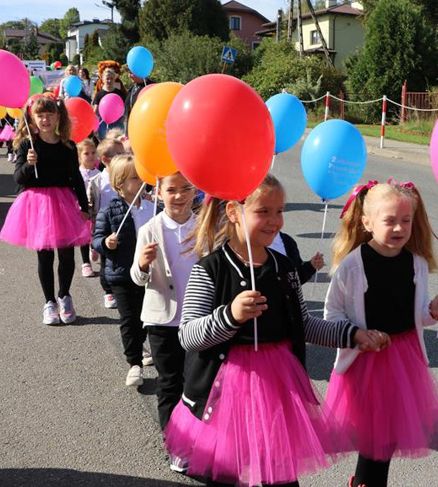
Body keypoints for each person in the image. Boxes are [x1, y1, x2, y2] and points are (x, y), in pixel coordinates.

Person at [163, 174, 382, 487]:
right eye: (263, 211)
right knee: (228, 475)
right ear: (234, 213)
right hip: (224, 393)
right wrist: (230, 315)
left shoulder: (284, 267)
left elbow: (303, 324)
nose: (274, 220)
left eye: (279, 211)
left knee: (280, 476)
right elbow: (189, 335)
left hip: (276, 387)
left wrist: (352, 335)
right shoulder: (210, 268)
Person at [324, 180, 438, 487]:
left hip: (404, 360)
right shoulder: (353, 266)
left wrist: (433, 311)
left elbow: (417, 313)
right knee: (375, 442)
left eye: (405, 221)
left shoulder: (416, 263)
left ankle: (365, 481)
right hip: (368, 361)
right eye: (390, 221)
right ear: (367, 223)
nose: (399, 228)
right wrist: (357, 334)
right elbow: (332, 315)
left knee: (388, 439)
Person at [0, 95, 90, 325]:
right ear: (32, 117)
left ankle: (64, 295)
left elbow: (76, 178)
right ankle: (49, 302)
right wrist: (29, 164)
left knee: (67, 255)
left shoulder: (67, 146)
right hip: (37, 205)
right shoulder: (27, 145)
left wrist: (84, 205)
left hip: (64, 203)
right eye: (40, 115)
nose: (45, 119)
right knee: (45, 256)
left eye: (50, 114)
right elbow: (18, 179)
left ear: (59, 116)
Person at [130, 172, 197, 471]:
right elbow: (137, 277)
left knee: (197, 385)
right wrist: (143, 264)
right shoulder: (149, 229)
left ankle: (200, 439)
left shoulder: (205, 227)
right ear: (158, 193)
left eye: (186, 189)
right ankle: (176, 444)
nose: (180, 195)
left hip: (198, 321)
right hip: (162, 321)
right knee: (170, 384)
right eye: (172, 190)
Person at [92, 154, 155, 387]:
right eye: (134, 178)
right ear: (119, 184)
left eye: (141, 176)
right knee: (129, 320)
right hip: (122, 274)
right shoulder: (109, 211)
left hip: (150, 274)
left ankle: (145, 350)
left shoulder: (152, 208)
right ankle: (134, 363)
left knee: (148, 319)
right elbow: (96, 239)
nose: (140, 181)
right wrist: (106, 243)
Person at [89, 136, 125, 309]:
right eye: (118, 155)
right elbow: (92, 204)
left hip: (123, 222)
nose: (124, 158)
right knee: (106, 259)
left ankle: (123, 286)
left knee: (122, 257)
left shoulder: (125, 178)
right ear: (105, 159)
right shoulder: (97, 181)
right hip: (105, 225)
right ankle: (108, 291)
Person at [77, 139, 100, 278]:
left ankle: (94, 247)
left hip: (96, 209)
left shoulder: (99, 173)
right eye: (86, 153)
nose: (91, 156)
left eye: (93, 152)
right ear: (79, 156)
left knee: (96, 232)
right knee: (84, 236)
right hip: (82, 209)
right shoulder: (77, 174)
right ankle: (86, 263)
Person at [92, 68, 126, 140]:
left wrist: (124, 116)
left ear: (114, 79)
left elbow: (126, 106)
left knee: (118, 143)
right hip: (103, 123)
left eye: (111, 78)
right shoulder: (99, 94)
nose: (109, 81)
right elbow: (95, 111)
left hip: (118, 122)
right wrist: (94, 126)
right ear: (103, 79)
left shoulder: (119, 93)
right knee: (105, 144)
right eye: (107, 78)